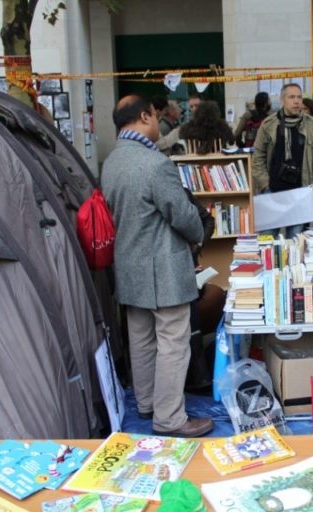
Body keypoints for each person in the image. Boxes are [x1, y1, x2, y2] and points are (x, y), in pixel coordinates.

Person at [102, 94, 213, 438]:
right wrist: (199, 234)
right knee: (173, 343)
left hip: (128, 266)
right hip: (163, 270)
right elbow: (184, 217)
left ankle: (147, 404)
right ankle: (169, 417)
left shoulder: (111, 162)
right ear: (146, 116)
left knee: (142, 340)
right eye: (154, 115)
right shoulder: (156, 164)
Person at [252, 83, 313, 238]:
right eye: (291, 97)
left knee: (295, 245)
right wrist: (265, 185)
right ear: (282, 100)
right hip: (272, 194)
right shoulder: (268, 125)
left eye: (299, 97)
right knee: (267, 242)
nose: (296, 101)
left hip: (300, 195)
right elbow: (257, 157)